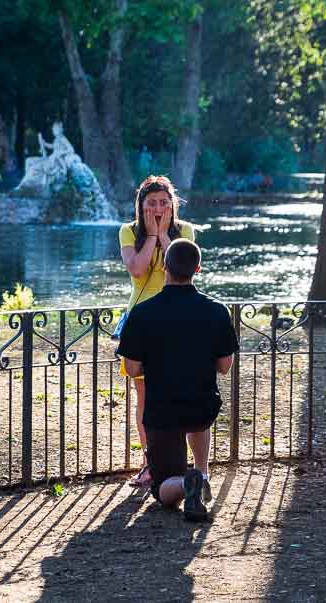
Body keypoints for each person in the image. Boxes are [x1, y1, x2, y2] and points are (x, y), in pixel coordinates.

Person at [116, 239, 238, 521]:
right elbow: (224, 366)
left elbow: (132, 369)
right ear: (198, 269)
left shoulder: (143, 313)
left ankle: (187, 483)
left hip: (162, 410)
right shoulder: (216, 311)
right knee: (198, 421)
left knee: (161, 491)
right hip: (202, 405)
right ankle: (201, 473)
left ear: (164, 266)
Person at [118, 175, 196, 488]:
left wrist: (165, 236)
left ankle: (178, 460)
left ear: (173, 204)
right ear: (141, 205)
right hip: (142, 323)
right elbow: (137, 269)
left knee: (178, 392)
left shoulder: (185, 231)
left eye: (164, 202)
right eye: (151, 203)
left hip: (177, 318)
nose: (159, 207)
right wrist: (151, 235)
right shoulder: (129, 231)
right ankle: (150, 462)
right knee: (145, 397)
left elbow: (179, 269)